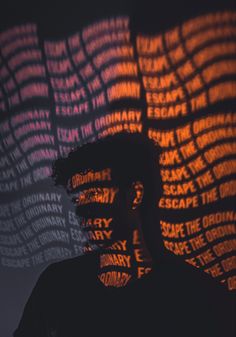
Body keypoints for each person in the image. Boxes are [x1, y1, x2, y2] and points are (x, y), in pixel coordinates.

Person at [13, 132, 234, 337]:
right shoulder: (58, 284)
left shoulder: (194, 295)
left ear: (135, 195)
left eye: (94, 193)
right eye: (76, 199)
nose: (81, 210)